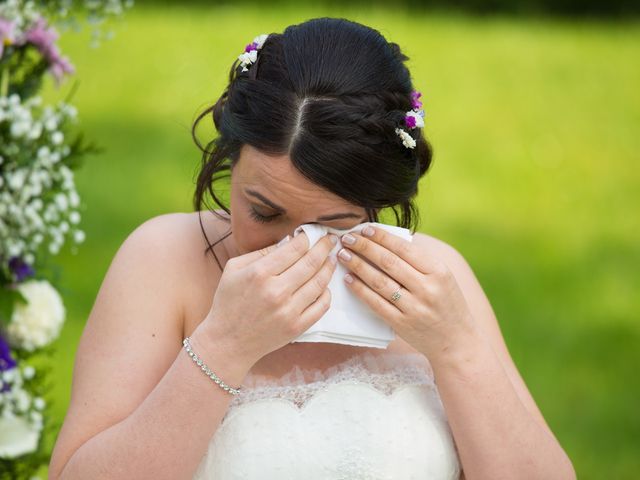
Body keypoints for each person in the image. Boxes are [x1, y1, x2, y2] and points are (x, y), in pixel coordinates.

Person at [48, 17, 575, 480]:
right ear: (229, 162)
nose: (295, 249)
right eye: (264, 212)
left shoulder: (434, 278)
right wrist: (223, 347)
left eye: (334, 224)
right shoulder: (163, 260)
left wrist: (458, 350)